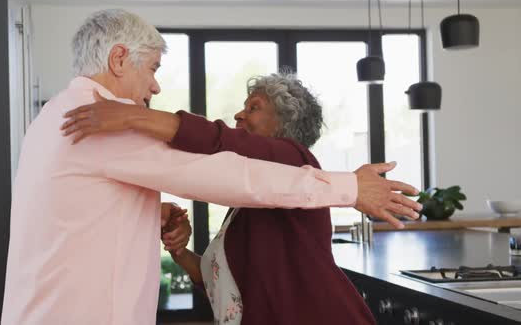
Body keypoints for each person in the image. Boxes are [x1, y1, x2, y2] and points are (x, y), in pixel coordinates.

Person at [0, 9, 416, 325]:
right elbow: (224, 175)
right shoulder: (99, 121)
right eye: (154, 69)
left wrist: (148, 210)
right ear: (119, 59)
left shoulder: (57, 114)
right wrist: (351, 189)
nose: (156, 85)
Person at [61, 72, 422, 324]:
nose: (238, 114)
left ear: (283, 124)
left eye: (253, 107)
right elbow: (220, 277)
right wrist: (179, 252)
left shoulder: (292, 157)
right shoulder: (258, 191)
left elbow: (217, 140)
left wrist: (131, 117)